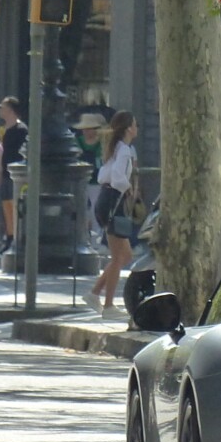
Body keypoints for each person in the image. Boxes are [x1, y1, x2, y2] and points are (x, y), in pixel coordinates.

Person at [87, 111, 139, 317]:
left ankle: (95, 293)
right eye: (135, 124)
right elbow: (118, 177)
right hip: (113, 203)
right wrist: (128, 189)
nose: (137, 128)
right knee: (120, 257)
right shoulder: (124, 150)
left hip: (105, 200)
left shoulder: (115, 148)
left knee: (123, 255)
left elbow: (104, 174)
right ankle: (108, 305)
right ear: (128, 129)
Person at [0, 96, 28, 254]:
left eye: (2, 107)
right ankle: (9, 236)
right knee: (6, 205)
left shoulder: (21, 129)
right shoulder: (5, 129)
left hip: (16, 174)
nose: (0, 109)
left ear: (10, 109)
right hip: (5, 171)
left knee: (14, 205)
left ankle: (16, 236)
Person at [72, 112, 107, 238]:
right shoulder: (77, 142)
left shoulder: (102, 143)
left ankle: (97, 236)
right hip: (82, 180)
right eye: (85, 129)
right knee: (83, 209)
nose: (86, 132)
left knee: (95, 209)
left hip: (97, 181)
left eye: (89, 128)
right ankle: (83, 235)